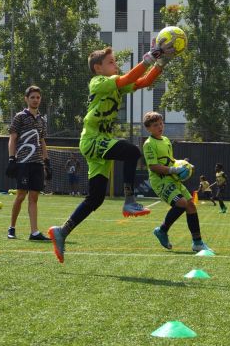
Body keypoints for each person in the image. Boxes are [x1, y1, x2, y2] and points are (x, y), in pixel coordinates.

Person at [48, 42, 173, 263]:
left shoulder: (114, 83)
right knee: (132, 152)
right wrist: (149, 57)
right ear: (98, 68)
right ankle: (129, 199)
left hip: (101, 141)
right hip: (93, 139)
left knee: (95, 199)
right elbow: (126, 79)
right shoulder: (98, 82)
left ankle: (62, 231)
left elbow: (144, 81)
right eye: (111, 62)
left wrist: (161, 62)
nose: (116, 65)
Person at [142, 111, 212, 252]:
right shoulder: (149, 144)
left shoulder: (166, 140)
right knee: (181, 203)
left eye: (161, 123)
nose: (160, 127)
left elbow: (171, 161)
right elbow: (154, 166)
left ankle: (197, 243)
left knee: (191, 205)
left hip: (173, 180)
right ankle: (162, 230)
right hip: (161, 182)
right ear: (148, 128)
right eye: (155, 125)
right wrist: (174, 170)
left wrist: (184, 165)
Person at [5, 85, 52, 241]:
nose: (35, 100)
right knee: (20, 196)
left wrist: (47, 161)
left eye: (38, 97)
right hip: (23, 162)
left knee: (34, 197)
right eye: (32, 97)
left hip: (37, 163)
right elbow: (12, 138)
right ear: (26, 99)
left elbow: (42, 141)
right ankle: (11, 227)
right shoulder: (20, 117)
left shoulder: (42, 120)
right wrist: (12, 159)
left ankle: (34, 232)